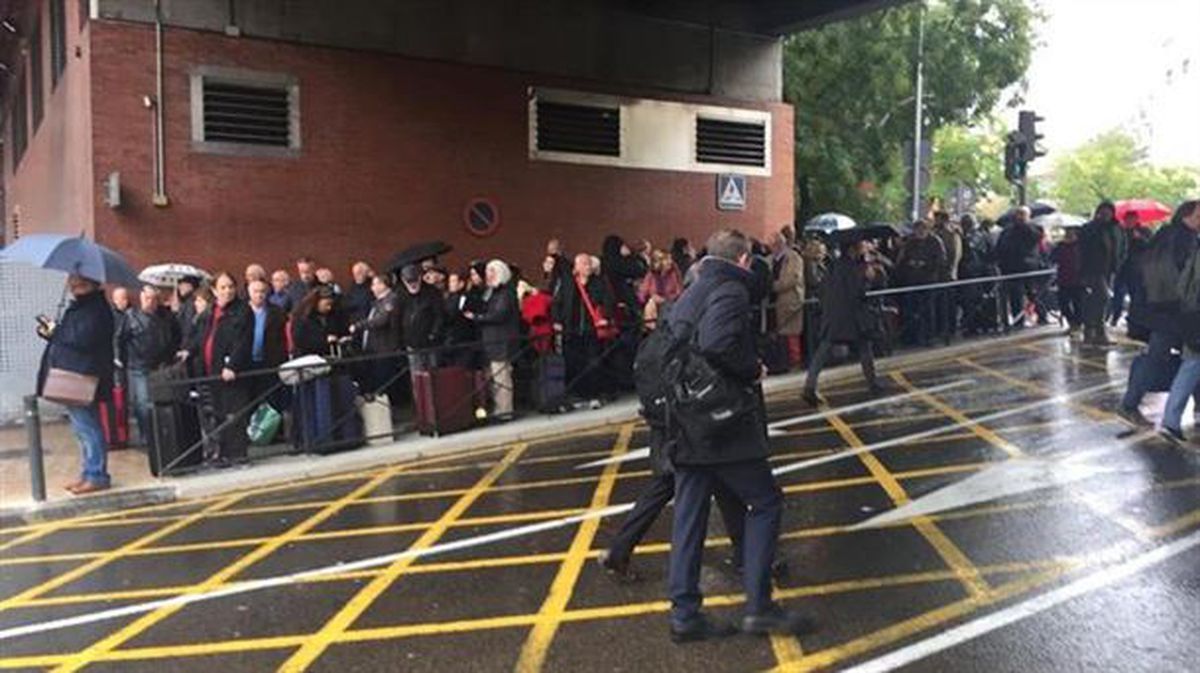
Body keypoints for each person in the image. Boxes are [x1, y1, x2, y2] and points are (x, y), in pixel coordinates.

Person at [665, 229, 809, 642]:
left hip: (688, 420)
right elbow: (718, 344)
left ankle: (685, 614)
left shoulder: (691, 289)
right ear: (744, 260)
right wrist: (753, 368)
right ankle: (760, 607)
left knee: (689, 517)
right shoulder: (729, 290)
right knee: (764, 502)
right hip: (721, 422)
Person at [1120, 200, 1200, 426]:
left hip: (1159, 310)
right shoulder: (1184, 240)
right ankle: (1129, 404)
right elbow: (1187, 278)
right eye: (1198, 215)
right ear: (1186, 216)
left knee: (1184, 357)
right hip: (1176, 310)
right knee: (1182, 357)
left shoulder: (1163, 236)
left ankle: (1130, 404)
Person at [37, 274, 116, 495]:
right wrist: (51, 333)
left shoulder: (96, 309)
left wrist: (57, 330)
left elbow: (83, 339)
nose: (73, 285)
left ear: (92, 283)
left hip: (82, 376)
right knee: (82, 429)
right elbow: (70, 338)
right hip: (75, 374)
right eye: (72, 280)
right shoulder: (83, 307)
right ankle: (88, 473)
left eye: (79, 281)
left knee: (88, 428)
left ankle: (97, 475)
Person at [804, 238, 885, 405]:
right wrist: (869, 278)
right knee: (864, 347)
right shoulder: (854, 268)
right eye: (861, 246)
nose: (864, 249)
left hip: (833, 315)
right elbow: (859, 292)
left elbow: (822, 289)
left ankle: (809, 386)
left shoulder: (834, 265)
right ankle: (873, 383)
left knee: (825, 349)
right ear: (852, 249)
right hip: (852, 316)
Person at [184, 272, 252, 468]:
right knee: (219, 413)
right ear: (214, 290)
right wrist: (188, 350)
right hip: (211, 370)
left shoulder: (242, 311)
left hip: (230, 371)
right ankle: (222, 453)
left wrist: (233, 366)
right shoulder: (211, 311)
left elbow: (244, 342)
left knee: (235, 413)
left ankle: (237, 454)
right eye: (223, 287)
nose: (228, 290)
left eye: (230, 286)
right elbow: (202, 336)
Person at [553, 253, 616, 403]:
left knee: (594, 361)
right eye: (584, 264)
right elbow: (557, 302)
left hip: (592, 329)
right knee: (575, 363)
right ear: (577, 267)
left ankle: (597, 393)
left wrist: (605, 317)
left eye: (589, 263)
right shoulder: (568, 283)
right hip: (572, 329)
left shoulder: (599, 282)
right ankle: (579, 394)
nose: (588, 267)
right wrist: (557, 320)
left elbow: (609, 300)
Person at [115, 285, 173, 447]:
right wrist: (120, 358)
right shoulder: (131, 316)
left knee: (159, 401)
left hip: (160, 365)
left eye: (153, 299)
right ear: (141, 299)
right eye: (147, 298)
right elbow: (120, 338)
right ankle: (146, 436)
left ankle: (158, 434)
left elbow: (173, 336)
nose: (150, 302)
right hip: (139, 365)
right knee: (142, 402)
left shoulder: (165, 316)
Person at [466, 260, 520, 420]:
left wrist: (478, 317)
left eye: (491, 272)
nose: (487, 276)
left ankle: (505, 411)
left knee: (502, 377)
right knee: (493, 378)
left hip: (502, 340)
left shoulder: (506, 292)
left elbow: (499, 314)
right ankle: (498, 409)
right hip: (490, 340)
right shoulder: (490, 291)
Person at [1077, 201, 1124, 346]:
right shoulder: (1090, 228)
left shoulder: (1116, 228)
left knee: (1100, 300)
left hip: (1109, 268)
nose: (1106, 214)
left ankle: (1097, 331)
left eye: (1109, 211)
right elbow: (1083, 250)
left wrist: (1119, 261)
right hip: (1093, 269)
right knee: (1102, 297)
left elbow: (1122, 246)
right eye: (1103, 211)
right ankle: (1091, 329)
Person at [349, 274, 403, 398]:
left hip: (384, 347)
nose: (372, 288)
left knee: (385, 378)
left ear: (383, 285)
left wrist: (358, 326)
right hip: (374, 347)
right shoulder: (377, 302)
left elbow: (381, 320)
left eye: (374, 284)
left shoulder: (391, 300)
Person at [896, 220, 946, 346]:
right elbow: (903, 259)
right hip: (912, 280)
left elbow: (941, 260)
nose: (919, 232)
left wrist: (925, 265)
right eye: (917, 229)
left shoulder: (935, 242)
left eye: (922, 229)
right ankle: (912, 337)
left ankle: (929, 336)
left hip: (929, 280)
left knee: (928, 310)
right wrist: (909, 264)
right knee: (911, 309)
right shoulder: (910, 243)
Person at [994, 206, 1042, 329]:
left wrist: (1024, 225)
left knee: (1033, 294)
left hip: (1028, 267)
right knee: (1015, 296)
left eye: (1022, 215)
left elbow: (1035, 238)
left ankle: (1042, 315)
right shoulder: (1007, 231)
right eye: (1017, 214)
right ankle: (1018, 320)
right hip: (1010, 268)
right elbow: (1000, 247)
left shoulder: (1034, 228)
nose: (1019, 217)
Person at [245, 279, 289, 407]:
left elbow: (282, 339)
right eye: (255, 291)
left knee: (272, 403)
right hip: (247, 364)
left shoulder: (276, 312)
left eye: (262, 291)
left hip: (269, 364)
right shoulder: (241, 311)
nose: (259, 295)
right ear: (249, 292)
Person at [398, 264, 445, 372]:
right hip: (411, 342)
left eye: (414, 281)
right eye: (409, 282)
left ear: (420, 277)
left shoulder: (432, 292)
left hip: (430, 342)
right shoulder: (401, 295)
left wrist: (433, 334)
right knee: (416, 374)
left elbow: (439, 315)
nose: (413, 285)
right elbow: (397, 319)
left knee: (433, 373)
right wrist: (400, 342)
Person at [770, 229, 805, 369]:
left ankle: (794, 363)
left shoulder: (793, 258)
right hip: (775, 302)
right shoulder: (771, 259)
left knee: (791, 334)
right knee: (780, 335)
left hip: (790, 301)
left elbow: (791, 279)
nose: (772, 247)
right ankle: (783, 362)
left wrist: (772, 286)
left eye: (774, 244)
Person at [1110, 219, 1148, 327]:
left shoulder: (1143, 231)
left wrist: (1139, 238)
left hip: (1136, 269)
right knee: (1118, 295)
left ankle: (1133, 320)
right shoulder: (1121, 231)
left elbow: (1149, 246)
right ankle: (1115, 316)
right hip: (1122, 268)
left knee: (1135, 296)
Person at [932, 211, 963, 342]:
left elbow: (955, 254)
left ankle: (950, 328)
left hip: (948, 275)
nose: (935, 221)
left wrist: (950, 271)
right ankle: (941, 328)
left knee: (949, 303)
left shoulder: (952, 234)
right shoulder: (935, 233)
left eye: (937, 219)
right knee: (940, 304)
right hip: (937, 275)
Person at [291, 286, 347, 357]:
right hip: (308, 356)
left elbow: (340, 330)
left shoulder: (333, 315)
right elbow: (300, 340)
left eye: (331, 305)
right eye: (326, 304)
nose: (329, 308)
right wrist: (324, 340)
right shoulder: (302, 317)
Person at [637, 249, 684, 331]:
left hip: (670, 305)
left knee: (664, 307)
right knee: (650, 304)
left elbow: (679, 292)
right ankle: (651, 329)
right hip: (655, 308)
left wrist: (664, 300)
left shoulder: (673, 274)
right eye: (668, 259)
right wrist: (651, 297)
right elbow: (642, 294)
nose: (670, 261)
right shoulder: (651, 275)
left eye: (670, 259)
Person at [1050, 228, 1084, 336]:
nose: (1069, 236)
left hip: (1078, 280)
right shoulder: (1060, 246)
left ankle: (1078, 324)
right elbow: (1052, 258)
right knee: (1063, 303)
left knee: (1078, 303)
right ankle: (1072, 322)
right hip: (1063, 279)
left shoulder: (1081, 246)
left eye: (1071, 233)